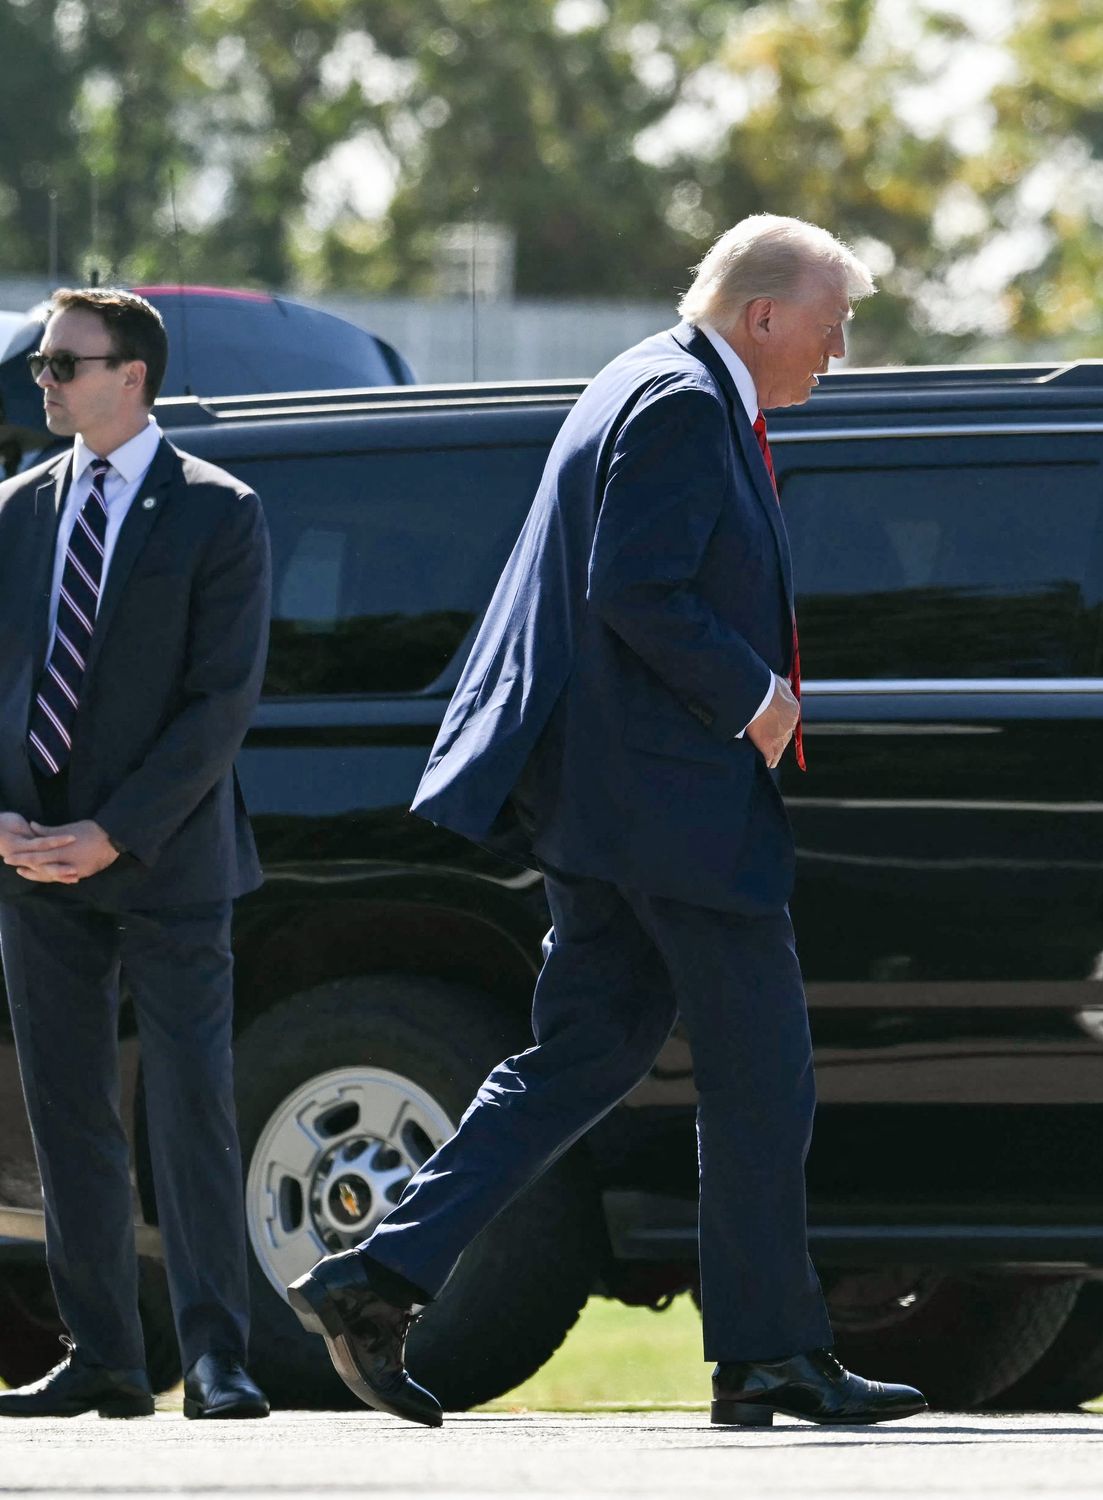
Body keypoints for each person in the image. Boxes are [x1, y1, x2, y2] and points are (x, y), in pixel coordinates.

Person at [286, 215, 927, 1430]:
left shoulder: (635, 380)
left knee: (578, 1058)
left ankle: (376, 1274)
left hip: (608, 808)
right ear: (763, 316)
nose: (835, 358)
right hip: (669, 808)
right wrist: (758, 700)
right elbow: (636, 587)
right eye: (832, 331)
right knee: (764, 1078)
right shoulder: (683, 403)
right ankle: (770, 1354)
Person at [0, 288, 273, 1420]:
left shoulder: (219, 511)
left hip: (164, 862)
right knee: (67, 1116)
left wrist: (113, 832)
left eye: (67, 364)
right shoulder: (13, 511)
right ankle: (105, 1356)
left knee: (191, 1111)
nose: (46, 383)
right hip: (30, 865)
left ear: (134, 377)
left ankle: (218, 1358)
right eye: (42, 367)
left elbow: (220, 704)